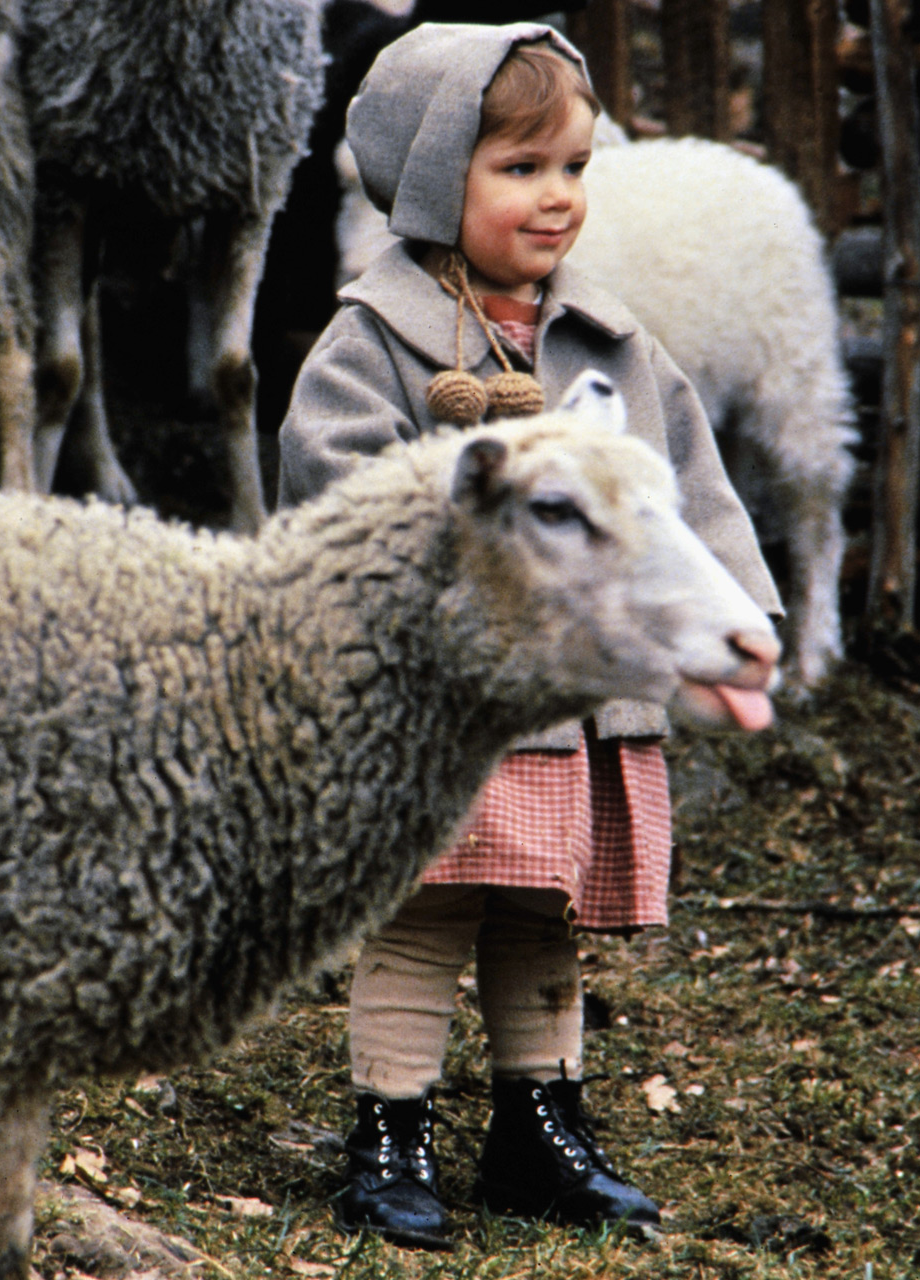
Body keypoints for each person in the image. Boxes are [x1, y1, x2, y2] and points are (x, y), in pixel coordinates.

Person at [275, 21, 782, 1250]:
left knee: (542, 907)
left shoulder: (612, 343)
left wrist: (740, 605)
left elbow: (681, 489)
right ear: (439, 173)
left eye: (574, 167)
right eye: (522, 170)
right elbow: (334, 493)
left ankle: (537, 1119)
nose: (558, 199)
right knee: (424, 908)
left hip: (580, 695)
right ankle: (389, 1125)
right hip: (447, 703)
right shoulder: (373, 346)